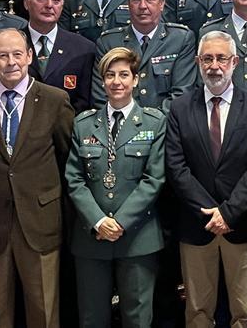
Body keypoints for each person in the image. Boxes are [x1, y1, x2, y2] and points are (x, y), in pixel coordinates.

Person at [0, 28, 76, 328]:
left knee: (44, 312)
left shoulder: (54, 100)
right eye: (4, 55)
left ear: (30, 57)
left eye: (17, 54)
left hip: (40, 224)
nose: (11, 62)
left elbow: (69, 164)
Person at [166, 32, 247, 328]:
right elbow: (176, 167)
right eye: (208, 58)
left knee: (245, 313)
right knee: (198, 312)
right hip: (195, 224)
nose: (215, 66)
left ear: (235, 62)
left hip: (241, 223)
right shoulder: (179, 107)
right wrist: (210, 212)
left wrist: (228, 212)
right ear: (198, 62)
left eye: (221, 58)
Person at [66, 47, 167, 328]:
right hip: (91, 237)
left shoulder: (154, 122)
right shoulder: (84, 124)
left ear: (136, 80)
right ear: (102, 80)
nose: (117, 81)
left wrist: (120, 222)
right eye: (110, 75)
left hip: (137, 237)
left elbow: (154, 179)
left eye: (124, 75)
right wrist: (98, 221)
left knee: (137, 318)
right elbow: (74, 179)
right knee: (92, 318)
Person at [93, 0, 196, 111]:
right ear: (128, 4)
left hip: (166, 126)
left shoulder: (181, 39)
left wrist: (152, 124)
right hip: (121, 126)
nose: (142, 6)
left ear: (161, 4)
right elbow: (101, 97)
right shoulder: (108, 42)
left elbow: (181, 94)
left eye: (149, 0)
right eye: (136, 0)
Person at [25, 0, 96, 112]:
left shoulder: (84, 48)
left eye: (56, 0)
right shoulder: (11, 43)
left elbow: (84, 102)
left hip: (66, 128)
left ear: (62, 5)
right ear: (26, 2)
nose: (49, 5)